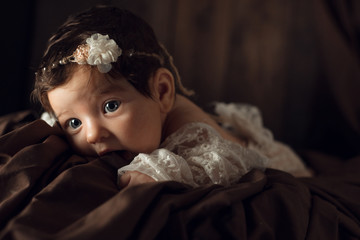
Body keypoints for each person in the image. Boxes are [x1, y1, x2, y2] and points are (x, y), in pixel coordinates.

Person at [33, 6, 311, 189]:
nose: (92, 135)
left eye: (110, 106)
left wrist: (161, 171)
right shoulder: (140, 122)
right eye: (74, 123)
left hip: (290, 171)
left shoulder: (188, 128)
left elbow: (222, 164)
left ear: (162, 92)